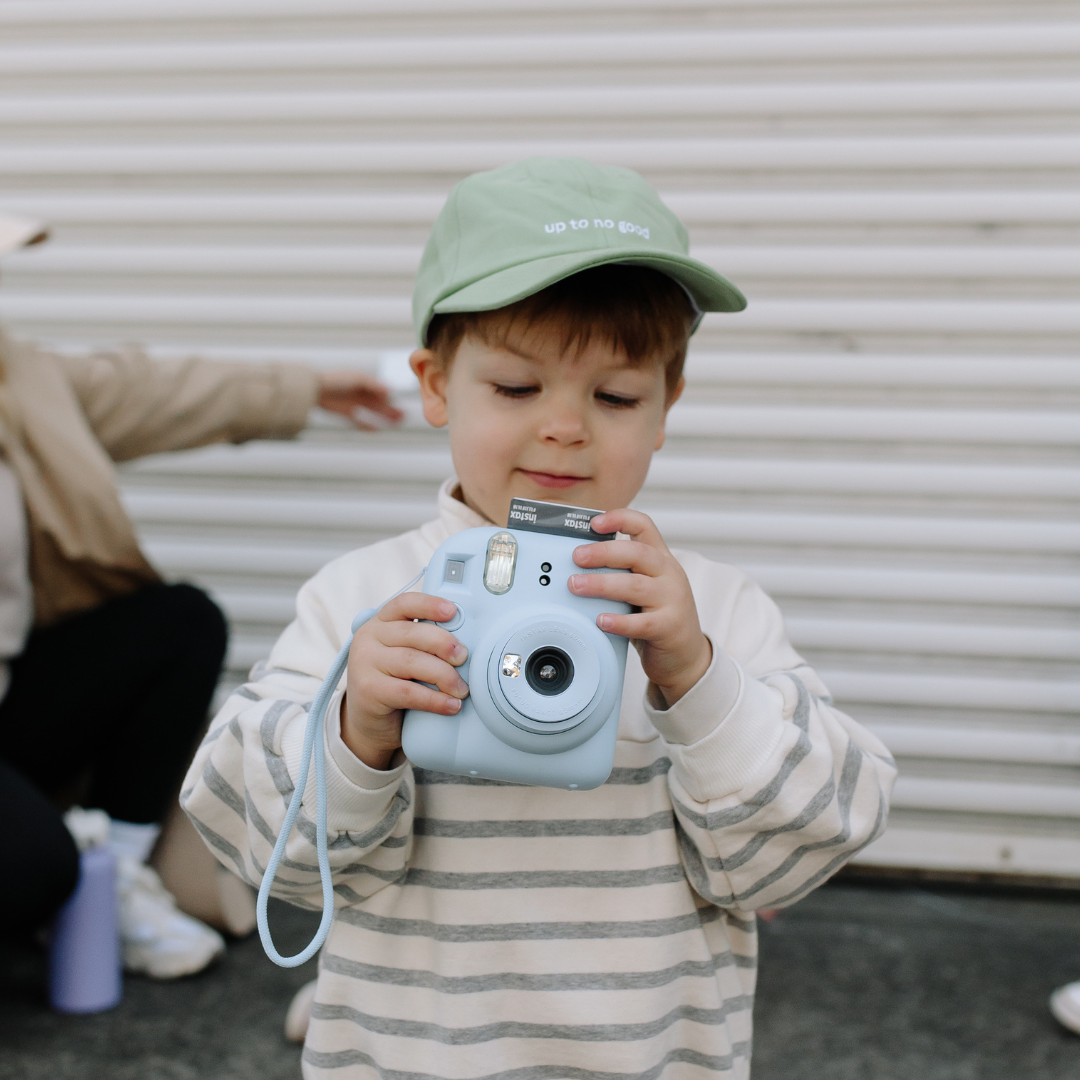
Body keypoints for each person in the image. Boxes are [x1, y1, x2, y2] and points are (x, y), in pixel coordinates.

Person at [183, 158, 896, 1077]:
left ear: (667, 405)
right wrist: (357, 729)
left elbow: (802, 848)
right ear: (434, 384)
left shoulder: (709, 609)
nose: (564, 428)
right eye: (516, 389)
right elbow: (256, 837)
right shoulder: (365, 601)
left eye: (616, 396)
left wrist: (698, 678)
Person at [0, 212, 402, 977]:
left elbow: (156, 391)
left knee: (176, 623)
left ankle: (109, 874)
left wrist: (310, 388)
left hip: (13, 702)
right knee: (27, 869)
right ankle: (59, 871)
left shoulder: (17, 378)